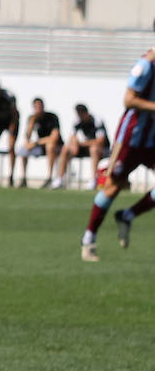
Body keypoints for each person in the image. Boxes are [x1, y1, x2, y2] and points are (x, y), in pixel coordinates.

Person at [81, 36, 155, 262]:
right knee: (113, 188)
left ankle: (128, 215)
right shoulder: (145, 66)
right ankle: (88, 241)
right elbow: (129, 100)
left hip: (151, 140)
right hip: (131, 139)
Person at [51, 103, 109, 190]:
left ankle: (93, 180)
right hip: (85, 147)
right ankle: (60, 179)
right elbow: (72, 136)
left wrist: (82, 143)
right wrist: (74, 143)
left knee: (94, 149)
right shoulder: (77, 121)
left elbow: (100, 141)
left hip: (102, 149)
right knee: (66, 148)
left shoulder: (97, 121)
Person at [17, 98, 63, 189]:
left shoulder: (52, 117)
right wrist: (31, 123)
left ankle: (49, 177)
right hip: (41, 146)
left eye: (40, 106)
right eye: (36, 107)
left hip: (56, 146)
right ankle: (23, 177)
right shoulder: (32, 118)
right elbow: (27, 137)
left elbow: (54, 138)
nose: (39, 109)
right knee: (24, 149)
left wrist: (36, 143)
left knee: (50, 146)